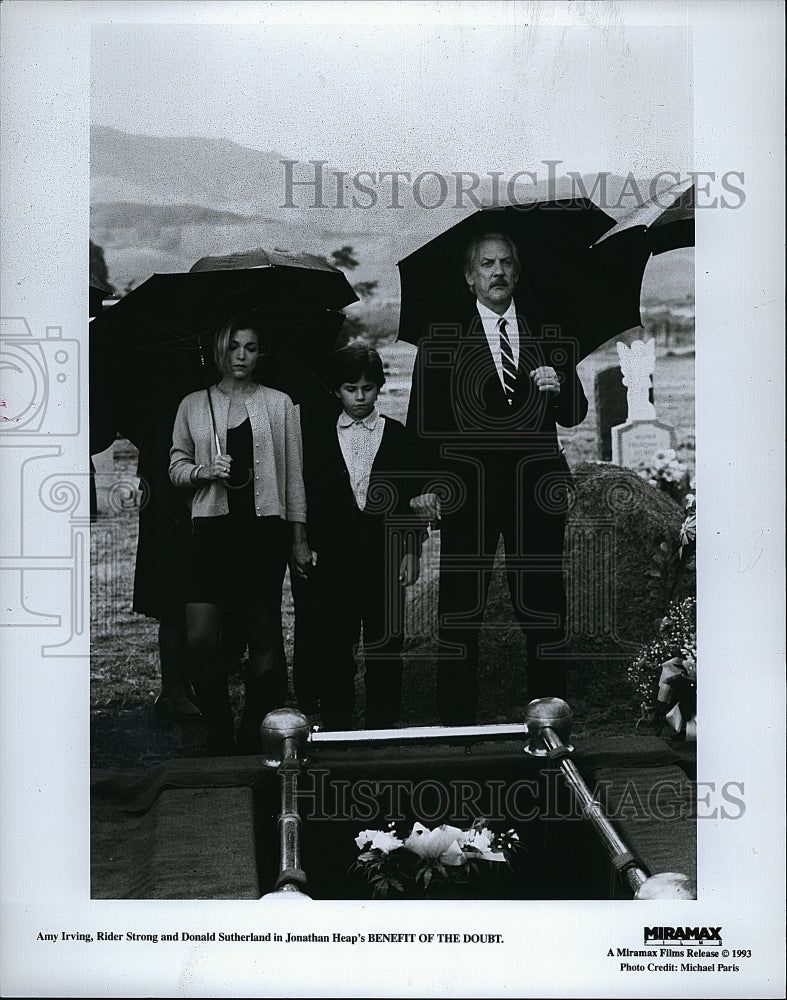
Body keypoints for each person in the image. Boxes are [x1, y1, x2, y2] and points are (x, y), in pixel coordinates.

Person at [406, 232, 588, 725]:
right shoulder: (442, 336)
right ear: (470, 277)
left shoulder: (545, 330)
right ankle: (457, 726)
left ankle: (550, 723)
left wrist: (560, 381)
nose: (498, 271)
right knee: (461, 610)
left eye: (507, 262)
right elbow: (422, 418)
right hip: (471, 491)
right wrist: (424, 484)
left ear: (517, 271)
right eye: (486, 264)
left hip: (536, 489)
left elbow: (575, 412)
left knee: (543, 606)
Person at [169, 316, 313, 753]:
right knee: (199, 638)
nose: (242, 357)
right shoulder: (194, 404)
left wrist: (298, 539)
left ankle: (254, 728)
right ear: (217, 349)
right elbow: (174, 467)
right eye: (233, 347)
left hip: (261, 532)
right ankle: (218, 724)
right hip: (210, 532)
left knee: (264, 632)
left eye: (250, 348)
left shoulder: (280, 404)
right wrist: (202, 471)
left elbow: (293, 478)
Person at [295, 343, 421, 730]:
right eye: (351, 388)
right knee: (336, 645)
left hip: (384, 558)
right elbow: (306, 495)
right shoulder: (317, 438)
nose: (360, 397)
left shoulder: (396, 436)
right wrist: (302, 541)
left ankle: (383, 725)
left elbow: (408, 499)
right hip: (335, 559)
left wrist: (411, 552)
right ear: (337, 390)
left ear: (380, 388)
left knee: (386, 646)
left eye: (368, 388)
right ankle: (337, 725)